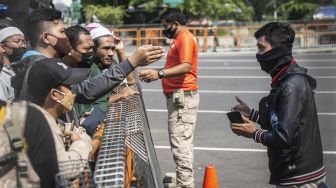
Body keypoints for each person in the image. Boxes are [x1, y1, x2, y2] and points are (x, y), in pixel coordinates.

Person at [230, 22, 326, 187]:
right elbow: (280, 120)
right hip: (294, 173)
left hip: (301, 177)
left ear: (278, 51)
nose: (258, 54)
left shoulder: (292, 84)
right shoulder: (284, 78)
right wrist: (252, 114)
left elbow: (284, 137)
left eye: (261, 48)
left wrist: (254, 133)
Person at [11, 8, 165, 105]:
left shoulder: (42, 64)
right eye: (62, 32)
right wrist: (131, 62)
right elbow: (85, 92)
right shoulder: (42, 66)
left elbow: (72, 97)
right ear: (46, 37)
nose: (66, 36)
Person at [139, 9, 199, 188]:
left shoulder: (185, 38)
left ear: (175, 23)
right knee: (181, 142)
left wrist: (158, 73)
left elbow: (186, 66)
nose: (164, 28)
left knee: (180, 144)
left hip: (182, 97)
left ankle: (186, 184)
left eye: (165, 25)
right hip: (178, 97)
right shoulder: (179, 39)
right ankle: (183, 181)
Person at [26, 57, 92, 180]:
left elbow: (79, 131)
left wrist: (79, 137)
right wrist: (80, 144)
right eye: (69, 86)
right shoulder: (39, 127)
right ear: (55, 95)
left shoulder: (42, 117)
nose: (73, 91)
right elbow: (66, 170)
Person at [0, 20, 26, 101]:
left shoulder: (19, 69)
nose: (22, 45)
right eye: (17, 41)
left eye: (23, 41)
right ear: (2, 47)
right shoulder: (1, 77)